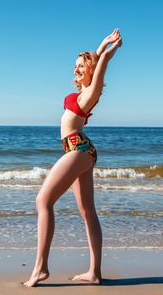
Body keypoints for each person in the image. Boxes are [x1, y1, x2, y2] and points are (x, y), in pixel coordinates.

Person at [24, 29, 122, 287]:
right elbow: (95, 59)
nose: (77, 69)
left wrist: (109, 54)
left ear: (91, 71)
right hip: (78, 150)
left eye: (82, 66)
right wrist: (102, 44)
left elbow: (99, 66)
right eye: (75, 66)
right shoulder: (81, 91)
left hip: (78, 148)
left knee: (43, 200)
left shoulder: (91, 93)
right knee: (88, 211)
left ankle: (40, 268)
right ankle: (94, 272)